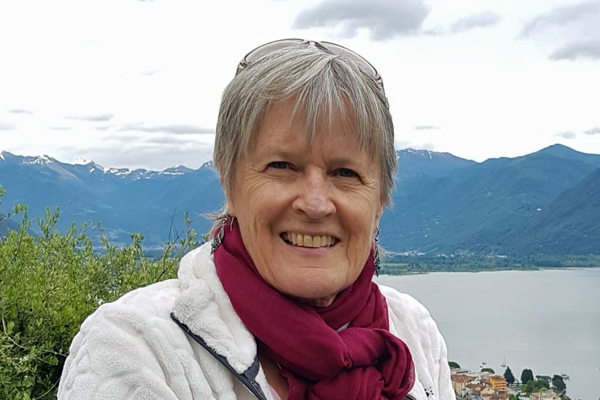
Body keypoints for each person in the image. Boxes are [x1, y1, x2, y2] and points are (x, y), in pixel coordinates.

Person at [58, 39, 455, 400]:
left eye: (345, 173)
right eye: (281, 166)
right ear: (229, 182)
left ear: (380, 200)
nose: (315, 204)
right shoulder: (138, 346)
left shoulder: (413, 331)